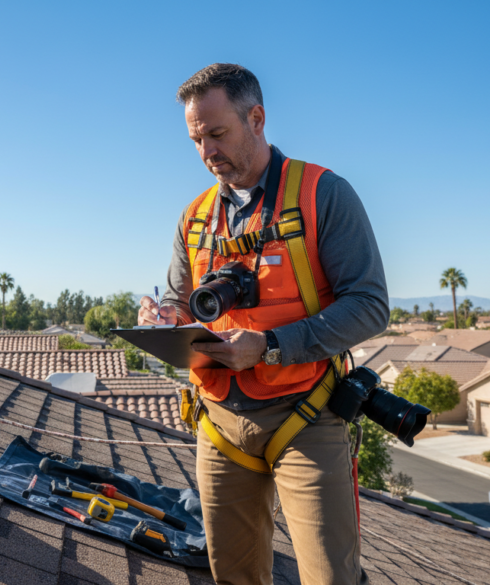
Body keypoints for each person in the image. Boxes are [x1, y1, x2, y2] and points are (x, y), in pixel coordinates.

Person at [138, 63, 388, 585]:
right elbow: (180, 301)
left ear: (256, 118)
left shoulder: (323, 194)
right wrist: (164, 318)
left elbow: (368, 304)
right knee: (232, 575)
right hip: (218, 421)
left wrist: (272, 345)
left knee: (330, 577)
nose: (207, 152)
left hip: (304, 415)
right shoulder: (195, 218)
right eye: (196, 139)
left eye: (217, 133)